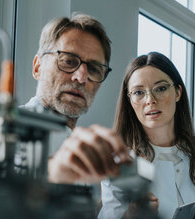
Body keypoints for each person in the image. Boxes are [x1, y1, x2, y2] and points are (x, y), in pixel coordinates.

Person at [21, 13, 130, 184]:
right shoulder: (4, 130)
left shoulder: (82, 150)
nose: (81, 77)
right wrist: (53, 172)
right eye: (69, 61)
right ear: (38, 67)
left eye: (94, 69)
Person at [98, 52, 195, 219]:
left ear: (178, 92)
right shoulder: (119, 164)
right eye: (139, 92)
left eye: (160, 88)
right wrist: (131, 216)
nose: (150, 100)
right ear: (130, 102)